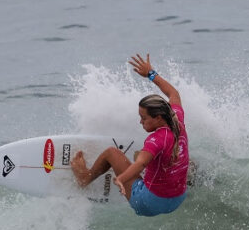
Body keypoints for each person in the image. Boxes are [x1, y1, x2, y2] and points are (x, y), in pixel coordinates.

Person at [71, 53, 189, 216]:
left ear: (159, 118)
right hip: (177, 199)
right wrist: (151, 73)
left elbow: (140, 164)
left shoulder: (156, 139)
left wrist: (121, 179)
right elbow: (173, 94)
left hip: (149, 203)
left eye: (144, 118)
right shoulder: (177, 118)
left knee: (112, 153)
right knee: (146, 155)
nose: (140, 122)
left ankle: (84, 178)